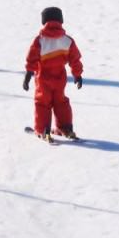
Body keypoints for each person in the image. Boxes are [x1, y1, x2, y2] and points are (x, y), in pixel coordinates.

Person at [23, 7, 83, 142]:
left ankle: (43, 130)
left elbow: (32, 59)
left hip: (43, 78)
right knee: (60, 102)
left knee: (42, 103)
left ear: (44, 21)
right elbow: (75, 59)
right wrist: (77, 75)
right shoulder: (67, 40)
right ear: (61, 21)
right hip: (60, 77)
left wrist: (28, 76)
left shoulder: (40, 41)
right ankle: (66, 128)